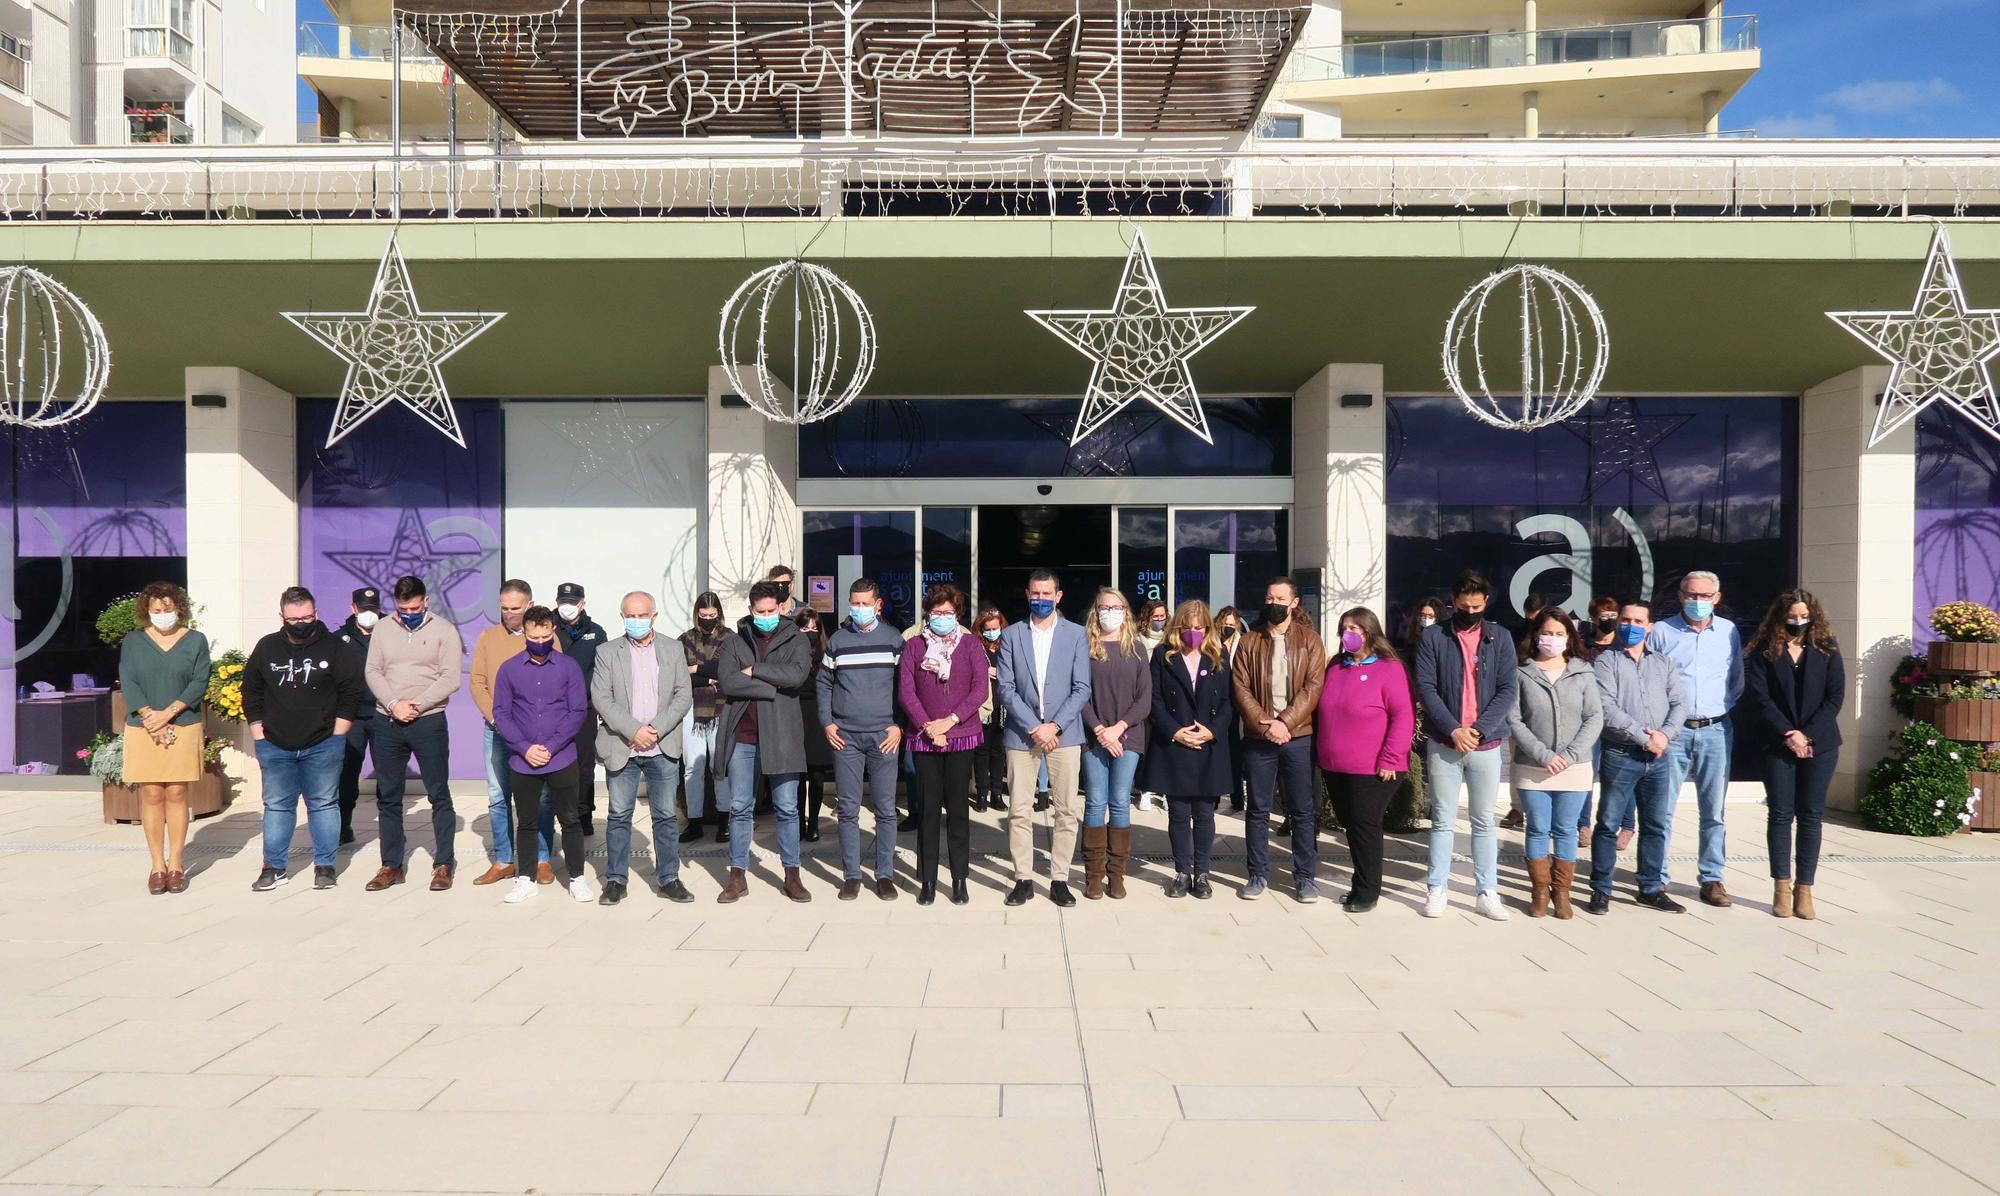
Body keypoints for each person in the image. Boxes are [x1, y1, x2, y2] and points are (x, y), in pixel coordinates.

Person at [244, 586, 367, 892]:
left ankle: (325, 867)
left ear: (316, 614)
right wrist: (258, 732)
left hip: (323, 742)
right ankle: (273, 867)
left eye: (306, 616)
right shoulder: (267, 647)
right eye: (293, 618)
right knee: (277, 806)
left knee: (324, 804)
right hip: (274, 743)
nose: (300, 622)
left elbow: (351, 691)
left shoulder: (336, 647)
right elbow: (251, 690)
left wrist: (339, 732)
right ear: (282, 617)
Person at [1414, 571, 1519, 921]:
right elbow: (1426, 687)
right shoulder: (1433, 637)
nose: (1469, 611)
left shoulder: (1500, 638)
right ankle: (1437, 888)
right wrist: (1454, 729)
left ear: (1485, 603)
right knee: (1443, 819)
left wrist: (1478, 730)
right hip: (1445, 742)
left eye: (1475, 606)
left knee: (1484, 821)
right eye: (1463, 606)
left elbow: (1507, 689)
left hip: (1485, 745)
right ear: (1453, 601)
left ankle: (1487, 890)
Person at [1742, 589, 1844, 920]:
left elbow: (1834, 697)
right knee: (1781, 814)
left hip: (1820, 743)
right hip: (1776, 742)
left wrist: (1807, 734)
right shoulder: (1764, 650)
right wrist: (1789, 733)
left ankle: (1805, 889)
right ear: (1780, 616)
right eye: (1792, 616)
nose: (1798, 621)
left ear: (1812, 615)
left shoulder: (1826, 649)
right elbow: (1760, 698)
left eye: (1803, 615)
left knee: (1811, 815)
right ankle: (1781, 887)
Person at [996, 569, 1093, 907]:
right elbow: (1005, 688)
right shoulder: (1010, 635)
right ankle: (1023, 877)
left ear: (1058, 596)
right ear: (1027, 595)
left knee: (1065, 810)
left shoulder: (1077, 635)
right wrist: (1034, 725)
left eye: (1046, 593)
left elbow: (1082, 688)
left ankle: (1060, 878)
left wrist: (1054, 726)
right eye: (1035, 594)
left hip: (1064, 736)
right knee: (1019, 810)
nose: (1040, 599)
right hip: (1022, 736)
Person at [1647, 570, 1743, 907]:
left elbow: (1736, 679)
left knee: (1714, 811)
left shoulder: (1729, 632)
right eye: (1691, 595)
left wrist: (1721, 708)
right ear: (1680, 595)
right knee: (1662, 809)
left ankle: (1713, 878)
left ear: (1717, 598)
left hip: (1716, 730)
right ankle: (1656, 879)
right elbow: (1650, 681)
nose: (1698, 602)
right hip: (1672, 731)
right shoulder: (1661, 632)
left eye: (1705, 596)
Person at [1588, 599, 1689, 916]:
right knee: (1608, 824)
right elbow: (1606, 708)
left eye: (1638, 621)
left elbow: (1680, 704)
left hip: (1659, 757)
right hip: (1621, 753)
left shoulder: (1663, 663)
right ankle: (1601, 888)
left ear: (1650, 626)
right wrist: (1645, 737)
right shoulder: (1606, 661)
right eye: (1626, 620)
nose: (1631, 625)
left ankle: (1650, 888)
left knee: (1655, 824)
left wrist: (1664, 736)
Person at [715, 581, 815, 903]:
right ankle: (737, 877)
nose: (767, 616)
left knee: (787, 808)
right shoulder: (734, 641)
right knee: (740, 807)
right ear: (751, 610)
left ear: (782, 608)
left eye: (773, 610)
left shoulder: (796, 639)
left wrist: (756, 670)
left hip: (782, 734)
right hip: (743, 737)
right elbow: (729, 682)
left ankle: (792, 875)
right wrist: (772, 687)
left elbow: (797, 676)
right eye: (761, 612)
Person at [593, 590, 695, 905]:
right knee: (619, 815)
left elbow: (683, 694)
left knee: (665, 816)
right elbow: (601, 697)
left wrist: (655, 729)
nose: (636, 621)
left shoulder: (673, 648)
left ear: (654, 616)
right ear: (622, 617)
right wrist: (634, 731)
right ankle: (615, 880)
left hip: (661, 746)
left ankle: (668, 878)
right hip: (623, 745)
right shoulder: (607, 652)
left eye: (642, 615)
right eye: (630, 616)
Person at [1231, 576, 1328, 903]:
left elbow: (1313, 688)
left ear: (1295, 603)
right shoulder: (1249, 641)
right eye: (1270, 597)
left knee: (1302, 809)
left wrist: (1285, 722)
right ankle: (1257, 874)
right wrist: (1265, 723)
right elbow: (1240, 688)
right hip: (1260, 737)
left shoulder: (1310, 641)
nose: (1274, 603)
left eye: (1281, 599)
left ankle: (1305, 877)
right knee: (1258, 808)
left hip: (1298, 736)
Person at [363, 574, 462, 892]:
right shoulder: (382, 628)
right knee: (388, 798)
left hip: (428, 722)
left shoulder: (444, 630)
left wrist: (416, 705)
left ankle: (443, 864)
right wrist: (393, 704)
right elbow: (372, 671)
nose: (408, 614)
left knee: (439, 795)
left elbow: (450, 678)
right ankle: (391, 865)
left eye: (415, 608)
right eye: (403, 609)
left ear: (426, 602)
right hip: (388, 722)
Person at [1315, 607, 1413, 914]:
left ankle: (1368, 890)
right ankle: (1359, 882)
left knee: (1364, 825)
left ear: (1370, 633)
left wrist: (1390, 758)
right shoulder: (1336, 665)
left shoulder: (1389, 668)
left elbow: (1403, 716)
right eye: (1345, 628)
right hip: (1335, 764)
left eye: (1356, 628)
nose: (1349, 633)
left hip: (1372, 767)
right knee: (1351, 824)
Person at [1507, 609, 1604, 919]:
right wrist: (1543, 755)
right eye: (1548, 633)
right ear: (1536, 635)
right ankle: (1539, 890)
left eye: (1560, 634)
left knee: (1565, 830)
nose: (1553, 639)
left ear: (1570, 637)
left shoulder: (1583, 671)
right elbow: (1514, 718)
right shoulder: (1521, 671)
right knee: (1536, 828)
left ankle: (1561, 893)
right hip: (1533, 766)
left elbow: (1594, 717)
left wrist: (1571, 755)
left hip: (1574, 767)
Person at [493, 606, 593, 905]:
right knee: (526, 821)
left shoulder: (568, 667)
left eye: (546, 635)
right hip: (523, 760)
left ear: (553, 632)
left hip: (561, 757)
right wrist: (525, 748)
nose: (540, 640)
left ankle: (577, 878)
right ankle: (526, 879)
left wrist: (551, 746)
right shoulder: (509, 669)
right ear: (524, 633)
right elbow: (501, 712)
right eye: (534, 635)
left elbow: (577, 711)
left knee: (571, 819)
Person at [119, 582, 211, 895]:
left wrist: (168, 714)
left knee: (176, 793)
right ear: (147, 611)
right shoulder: (133, 641)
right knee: (151, 794)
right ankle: (157, 864)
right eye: (157, 611)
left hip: (182, 723)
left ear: (179, 608)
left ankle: (176, 864)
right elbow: (128, 679)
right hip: (143, 726)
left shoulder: (195, 640)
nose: (163, 615)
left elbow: (200, 681)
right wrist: (150, 716)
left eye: (168, 609)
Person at [898, 584, 988, 905]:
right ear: (928, 613)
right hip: (925, 739)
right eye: (936, 613)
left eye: (948, 613)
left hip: (960, 736)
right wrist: (928, 725)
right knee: (927, 811)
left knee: (958, 811)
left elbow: (980, 690)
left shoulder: (971, 645)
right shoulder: (914, 646)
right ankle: (928, 880)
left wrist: (950, 721)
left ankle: (959, 878)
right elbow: (906, 692)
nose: (942, 618)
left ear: (957, 614)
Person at [820, 578, 906, 901]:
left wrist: (899, 726)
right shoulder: (838, 641)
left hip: (885, 736)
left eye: (864, 604)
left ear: (878, 605)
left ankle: (884, 874)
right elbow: (823, 684)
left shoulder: (894, 641)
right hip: (846, 738)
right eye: (854, 603)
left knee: (885, 809)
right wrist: (827, 723)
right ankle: (852, 875)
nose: (858, 609)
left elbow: (905, 689)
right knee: (848, 809)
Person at [1149, 600, 1232, 899]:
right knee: (1179, 813)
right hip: (1176, 743)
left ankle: (1202, 874)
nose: (1194, 632)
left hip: (1208, 744)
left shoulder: (1218, 655)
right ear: (1178, 626)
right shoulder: (1163, 655)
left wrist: (1212, 731)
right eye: (1188, 627)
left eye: (1199, 627)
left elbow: (1227, 702)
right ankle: (1182, 872)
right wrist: (1175, 732)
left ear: (1207, 628)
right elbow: (1155, 700)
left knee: (1205, 814)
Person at [1080, 587, 1150, 900]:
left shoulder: (1136, 648)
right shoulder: (1085, 647)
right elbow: (1079, 693)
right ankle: (1094, 876)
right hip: (1093, 737)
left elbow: (1144, 698)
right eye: (1105, 606)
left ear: (1125, 611)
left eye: (1117, 606)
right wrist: (1099, 730)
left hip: (1128, 736)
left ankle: (1117, 875)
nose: (1111, 611)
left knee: (1120, 801)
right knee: (1095, 801)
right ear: (1096, 611)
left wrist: (1118, 728)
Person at [468, 579, 534, 885]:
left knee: (539, 796)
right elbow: (477, 683)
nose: (509, 614)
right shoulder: (488, 637)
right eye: (504, 608)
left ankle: (542, 859)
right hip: (496, 730)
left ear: (529, 605)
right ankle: (505, 860)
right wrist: (497, 719)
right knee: (498, 795)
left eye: (515, 608)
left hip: (533, 732)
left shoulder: (545, 636)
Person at [1576, 594, 1634, 846]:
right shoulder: (1582, 646)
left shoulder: (1624, 647)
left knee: (1623, 773)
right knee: (1585, 772)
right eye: (1604, 616)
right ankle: (1582, 824)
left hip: (1620, 718)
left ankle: (1627, 824)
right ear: (1593, 618)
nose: (1609, 620)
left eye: (1613, 615)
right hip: (1589, 718)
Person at [553, 582, 607, 837]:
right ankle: (558, 811)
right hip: (553, 710)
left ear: (582, 604)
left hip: (584, 708)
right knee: (554, 762)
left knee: (584, 764)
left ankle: (584, 812)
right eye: (563, 602)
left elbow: (602, 671)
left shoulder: (596, 633)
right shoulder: (548, 628)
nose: (567, 607)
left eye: (573, 602)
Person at [677, 593, 729, 844]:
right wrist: (708, 675)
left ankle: (724, 821)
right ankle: (694, 821)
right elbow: (678, 673)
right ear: (697, 613)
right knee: (692, 768)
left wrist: (696, 668)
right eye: (703, 615)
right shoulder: (686, 639)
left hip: (721, 709)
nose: (708, 619)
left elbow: (728, 670)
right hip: (691, 710)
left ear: (719, 613)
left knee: (719, 767)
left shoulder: (730, 638)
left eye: (712, 615)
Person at [334, 586, 381, 846]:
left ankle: (389, 824)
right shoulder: (339, 639)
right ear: (354, 608)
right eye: (364, 609)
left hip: (383, 713)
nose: (369, 614)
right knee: (347, 772)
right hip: (351, 717)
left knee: (387, 773)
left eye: (373, 609)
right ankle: (343, 825)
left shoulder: (391, 633)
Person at [795, 604, 833, 844]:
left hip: (818, 717)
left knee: (817, 775)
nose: (809, 631)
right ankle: (799, 821)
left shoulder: (826, 655)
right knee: (798, 775)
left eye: (813, 628)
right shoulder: (790, 654)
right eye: (804, 627)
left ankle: (815, 821)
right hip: (796, 716)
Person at [971, 607, 1010, 812]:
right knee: (981, 752)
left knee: (998, 752)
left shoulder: (1007, 646)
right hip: (983, 706)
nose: (992, 632)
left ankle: (997, 793)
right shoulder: (976, 646)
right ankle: (981, 794)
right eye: (988, 629)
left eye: (995, 628)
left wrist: (1000, 672)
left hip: (1003, 707)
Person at [1132, 599, 1168, 812]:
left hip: (1165, 700)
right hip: (1144, 698)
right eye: (1155, 617)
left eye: (1162, 616)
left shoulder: (1170, 639)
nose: (1159, 621)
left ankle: (1164, 791)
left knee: (1164, 747)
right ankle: (1144, 790)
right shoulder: (1138, 640)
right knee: (1145, 748)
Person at [1215, 605, 1247, 813]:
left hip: (1235, 706)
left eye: (1231, 624)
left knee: (1235, 753)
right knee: (1217, 752)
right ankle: (1215, 795)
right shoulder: (1212, 643)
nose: (1228, 628)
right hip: (1216, 705)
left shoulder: (1242, 644)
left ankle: (1237, 797)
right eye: (1225, 624)